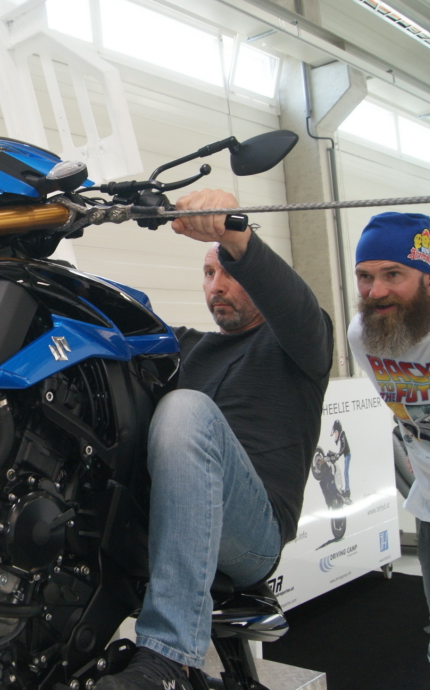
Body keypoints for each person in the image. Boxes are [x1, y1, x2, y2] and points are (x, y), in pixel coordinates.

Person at [96, 189, 334, 690]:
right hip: (164, 516)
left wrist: (232, 236)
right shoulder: (185, 347)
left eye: (229, 273)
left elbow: (294, 305)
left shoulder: (298, 347)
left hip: (252, 535)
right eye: (208, 273)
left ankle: (170, 656)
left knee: (186, 409)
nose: (217, 285)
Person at [347, 211, 430, 690]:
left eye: (393, 274)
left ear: (428, 275)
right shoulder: (363, 336)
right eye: (365, 276)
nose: (376, 291)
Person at [333, 419, 352, 503]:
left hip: (347, 455)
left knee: (345, 472)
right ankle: (347, 489)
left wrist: (339, 454)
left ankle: (347, 490)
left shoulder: (342, 435)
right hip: (346, 455)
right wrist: (338, 454)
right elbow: (342, 447)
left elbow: (343, 447)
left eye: (335, 431)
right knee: (345, 472)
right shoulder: (341, 435)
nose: (335, 434)